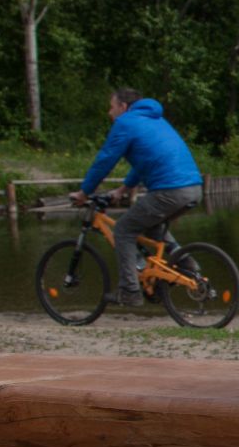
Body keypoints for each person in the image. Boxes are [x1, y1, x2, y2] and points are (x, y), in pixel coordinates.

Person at [71, 88, 205, 306]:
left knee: (123, 229)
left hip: (169, 190)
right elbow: (145, 163)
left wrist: (84, 192)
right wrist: (122, 190)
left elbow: (105, 160)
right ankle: (187, 264)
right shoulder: (156, 120)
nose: (109, 112)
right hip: (193, 188)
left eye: (112, 106)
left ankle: (130, 292)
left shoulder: (126, 123)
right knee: (153, 227)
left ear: (123, 107)